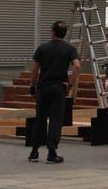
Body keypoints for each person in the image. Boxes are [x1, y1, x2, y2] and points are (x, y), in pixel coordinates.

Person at [28, 21, 81, 164]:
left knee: (40, 119)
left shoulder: (42, 48)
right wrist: (70, 84)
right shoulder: (69, 49)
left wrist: (32, 85)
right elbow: (77, 66)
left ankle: (34, 152)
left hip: (43, 87)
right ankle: (52, 153)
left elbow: (34, 69)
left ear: (52, 32)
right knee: (56, 120)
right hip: (59, 88)